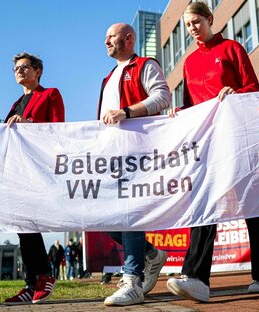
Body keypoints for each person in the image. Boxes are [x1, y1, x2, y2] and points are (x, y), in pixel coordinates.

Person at [165, 3, 259, 303]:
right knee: (203, 202)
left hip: (238, 138)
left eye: (196, 21)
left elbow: (255, 87)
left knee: (250, 205)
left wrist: (234, 92)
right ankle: (197, 277)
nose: (192, 28)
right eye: (188, 24)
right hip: (208, 144)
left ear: (209, 19)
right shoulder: (188, 64)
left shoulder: (232, 49)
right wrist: (180, 112)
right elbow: (192, 107)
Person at [99, 22, 171, 306]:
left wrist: (127, 112)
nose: (105, 42)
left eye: (111, 37)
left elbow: (162, 97)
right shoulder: (107, 78)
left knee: (129, 213)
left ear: (128, 39)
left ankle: (132, 281)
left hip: (138, 152)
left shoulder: (144, 65)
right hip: (111, 155)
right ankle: (152, 255)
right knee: (103, 218)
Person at [2, 52, 64, 305]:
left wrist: (27, 123)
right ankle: (31, 284)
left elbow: (58, 129)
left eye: (24, 67)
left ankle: (45, 276)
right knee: (22, 226)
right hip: (17, 170)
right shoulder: (16, 102)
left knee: (31, 224)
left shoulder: (50, 94)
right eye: (16, 68)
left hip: (39, 167)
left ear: (38, 71)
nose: (19, 71)